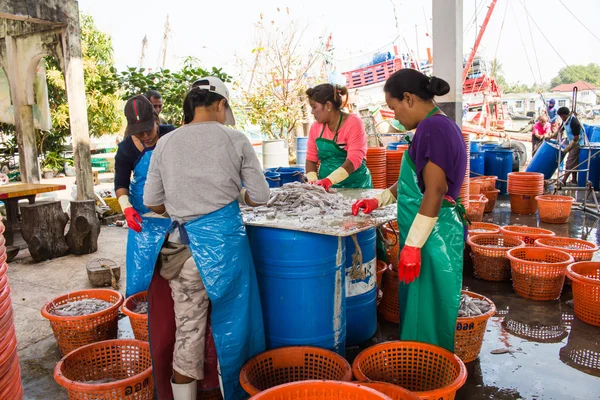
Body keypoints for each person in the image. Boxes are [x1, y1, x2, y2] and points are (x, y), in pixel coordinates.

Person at [143, 77, 270, 400]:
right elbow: (261, 196)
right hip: (224, 251)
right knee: (236, 325)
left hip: (181, 250)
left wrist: (183, 202)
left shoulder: (166, 143)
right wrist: (236, 194)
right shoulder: (235, 139)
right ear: (221, 104)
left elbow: (152, 201)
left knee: (188, 332)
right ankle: (242, 392)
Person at [352, 69, 467, 353]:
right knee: (419, 308)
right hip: (427, 234)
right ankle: (421, 362)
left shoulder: (433, 129)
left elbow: (435, 190)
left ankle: (427, 372)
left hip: (432, 238)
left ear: (408, 98)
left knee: (426, 314)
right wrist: (378, 200)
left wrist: (414, 245)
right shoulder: (433, 127)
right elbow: (412, 181)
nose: (395, 117)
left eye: (394, 108)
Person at [114, 95, 175, 297]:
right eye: (139, 134)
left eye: (148, 130)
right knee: (142, 274)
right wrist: (127, 208)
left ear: (156, 119)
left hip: (174, 216)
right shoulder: (125, 149)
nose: (145, 136)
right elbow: (121, 185)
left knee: (176, 273)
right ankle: (141, 316)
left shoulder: (172, 136)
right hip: (144, 219)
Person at [304, 83, 372, 190]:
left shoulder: (353, 123)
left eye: (314, 107)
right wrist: (313, 182)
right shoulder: (315, 127)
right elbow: (311, 159)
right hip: (326, 189)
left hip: (356, 186)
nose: (312, 112)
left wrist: (329, 180)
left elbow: (354, 159)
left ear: (328, 106)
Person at [557, 106, 586, 186]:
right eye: (560, 116)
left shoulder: (574, 122)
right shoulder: (565, 121)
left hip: (577, 143)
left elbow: (577, 137)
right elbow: (560, 130)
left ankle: (563, 180)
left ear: (566, 115)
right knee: (574, 162)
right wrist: (551, 136)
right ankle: (573, 180)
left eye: (562, 116)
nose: (561, 118)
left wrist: (568, 148)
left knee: (570, 162)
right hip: (571, 142)